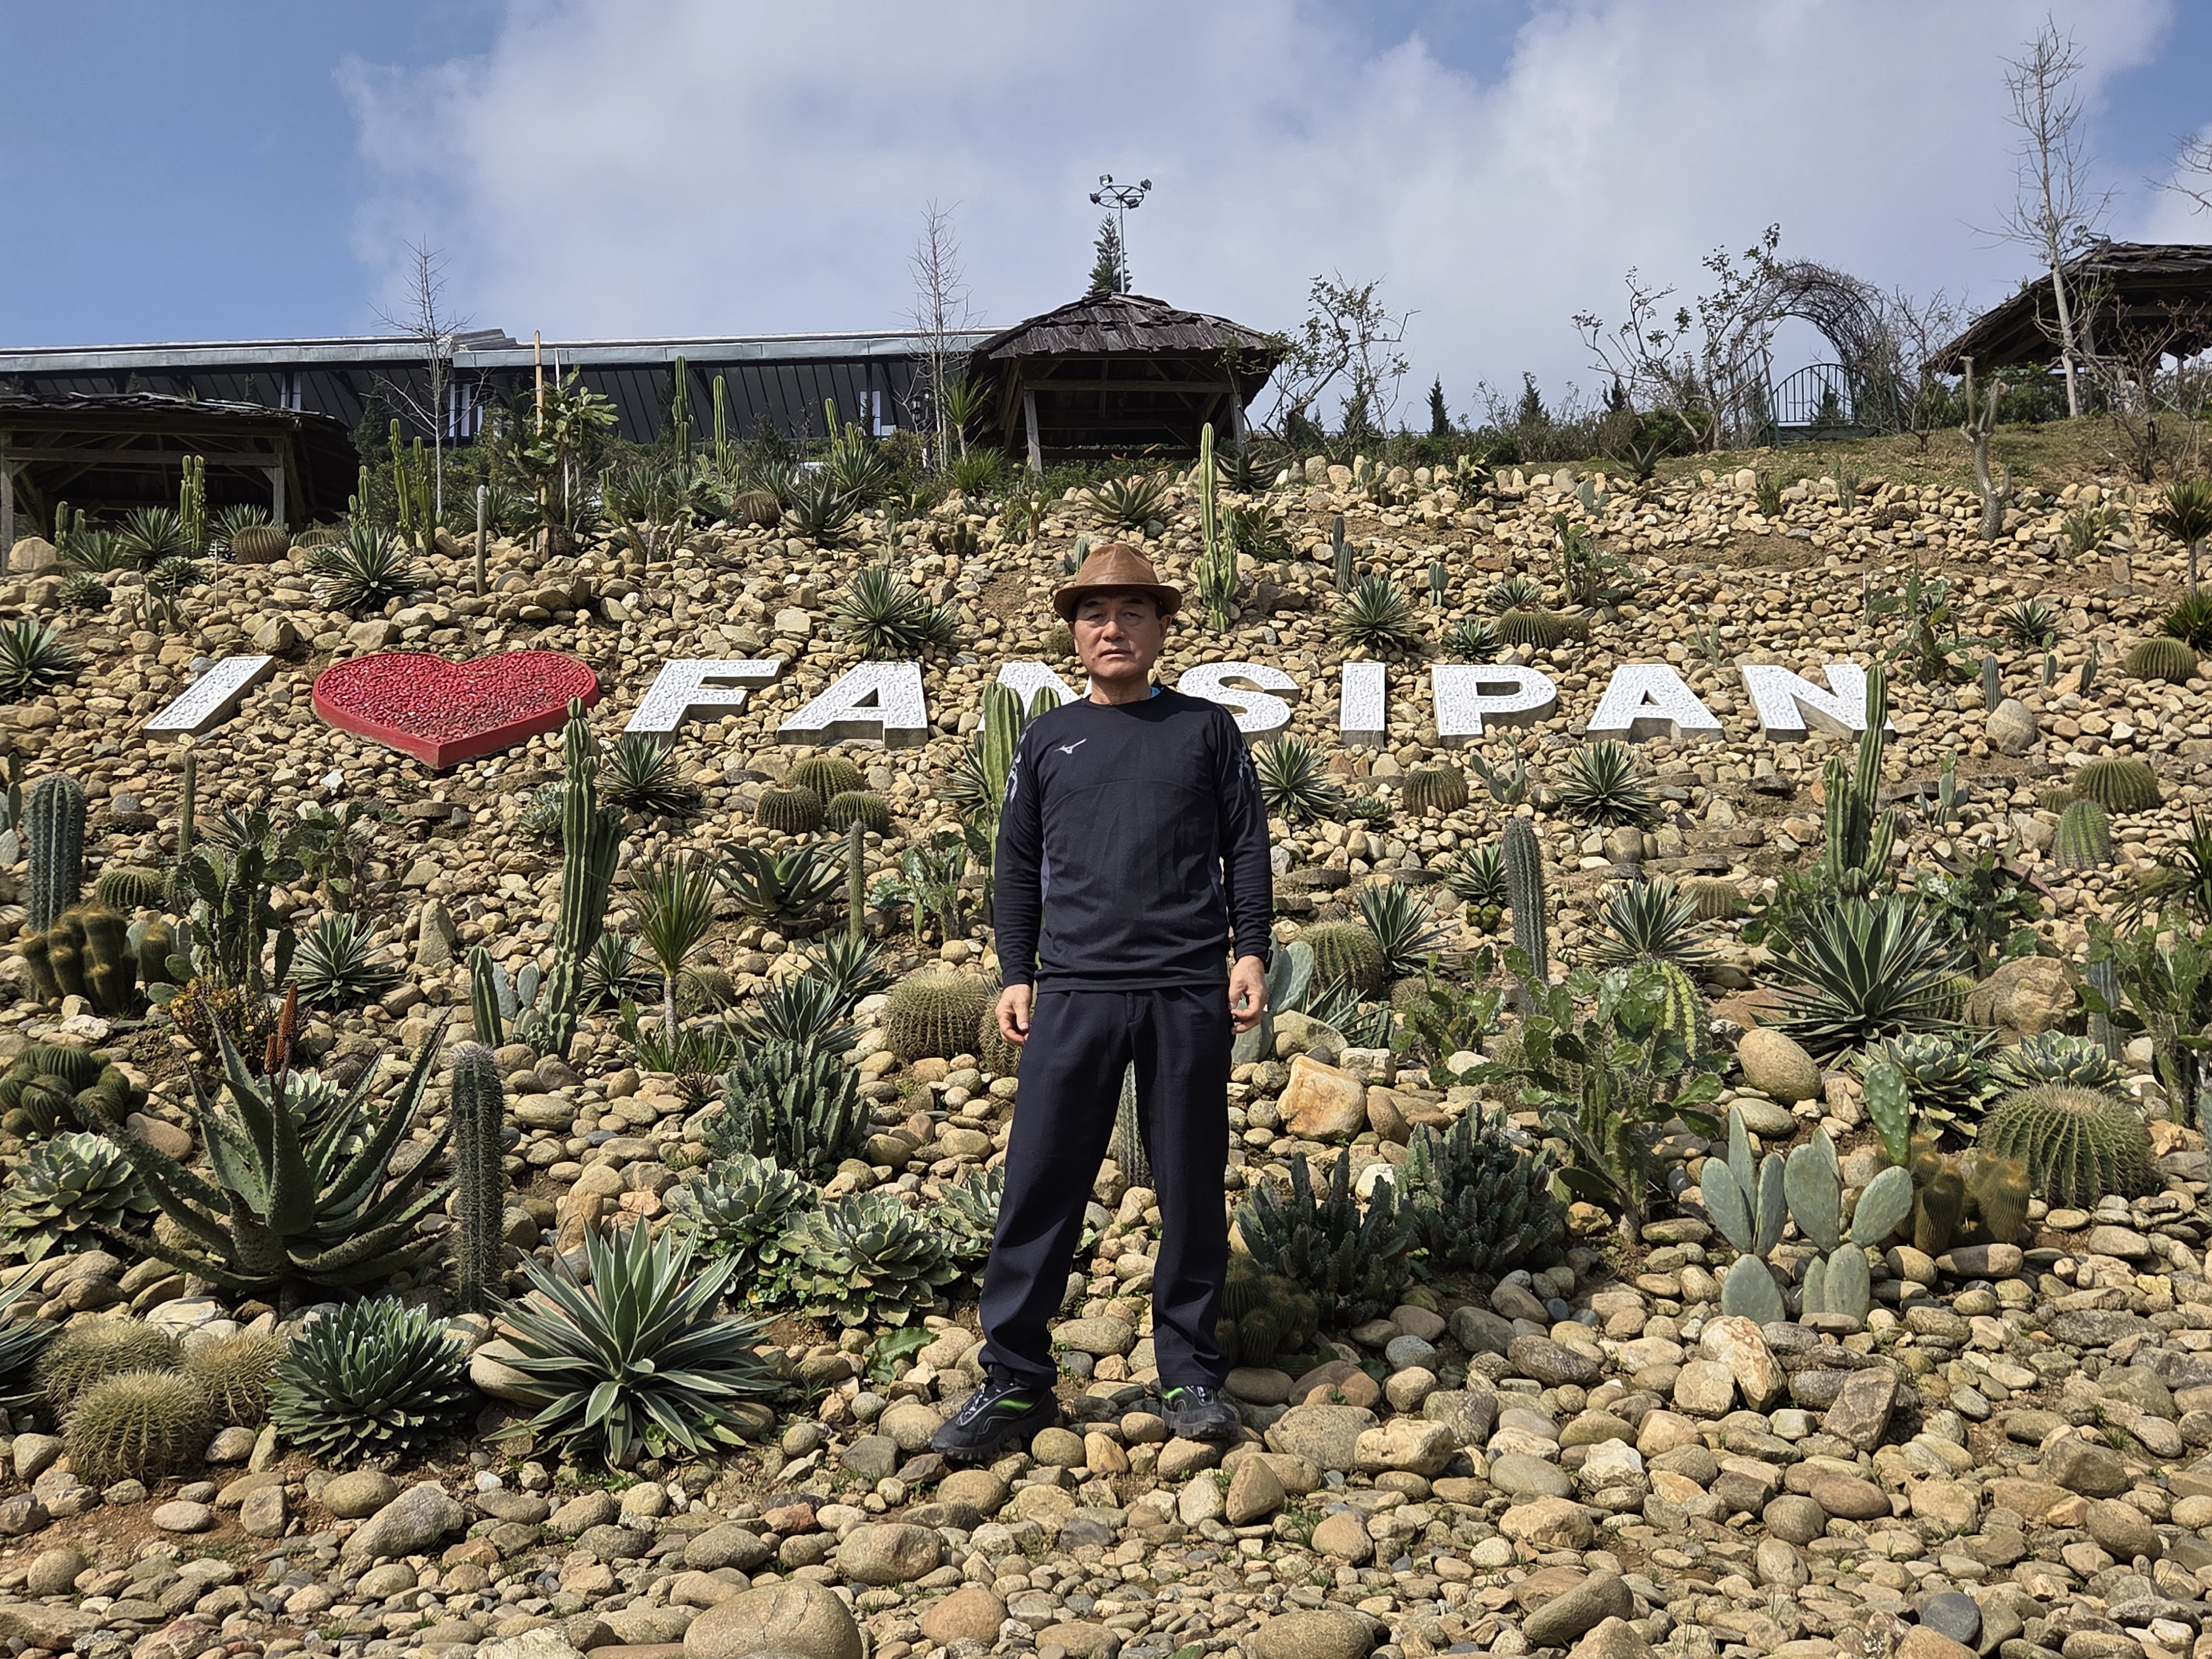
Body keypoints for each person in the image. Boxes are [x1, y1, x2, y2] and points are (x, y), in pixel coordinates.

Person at [932, 541, 1274, 1462]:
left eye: (1132, 611)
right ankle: (1015, 1380)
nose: (1112, 627)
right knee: (1039, 1181)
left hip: (1184, 986)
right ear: (1074, 633)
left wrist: (1250, 951)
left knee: (1191, 1183)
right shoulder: (1047, 739)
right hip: (1076, 989)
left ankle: (1190, 1374)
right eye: (1094, 613)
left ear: (1162, 627)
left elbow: (1245, 846)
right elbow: (1016, 864)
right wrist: (1016, 970)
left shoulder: (1206, 729)